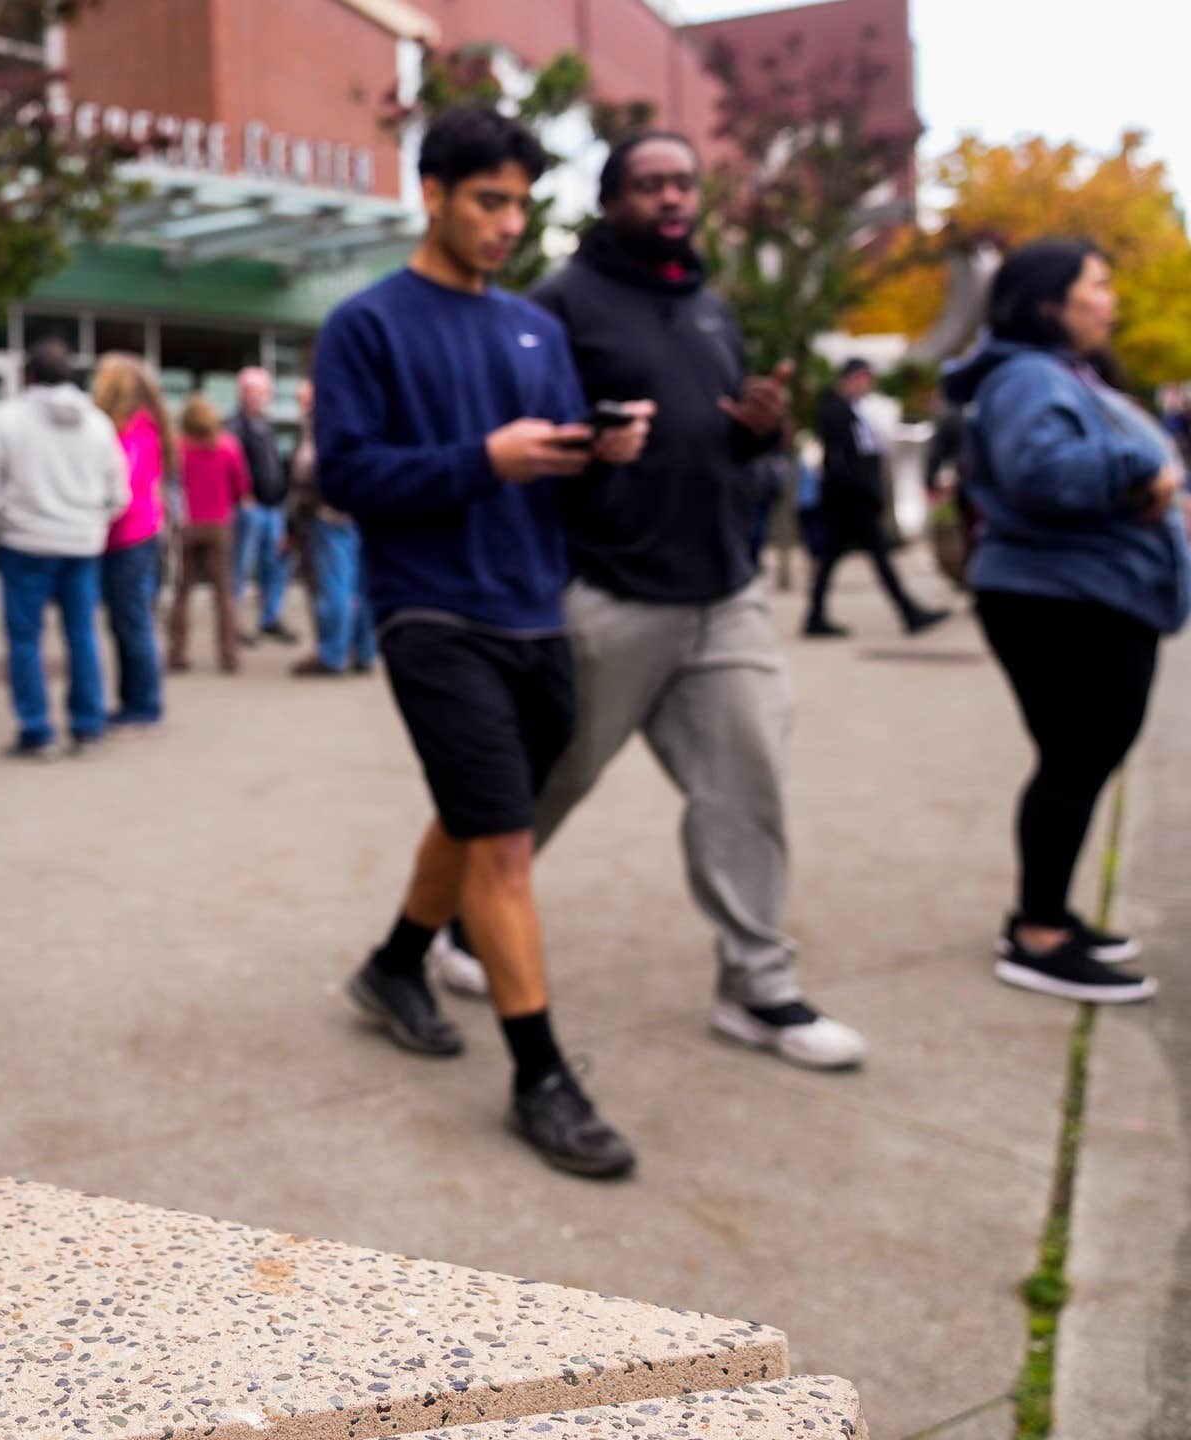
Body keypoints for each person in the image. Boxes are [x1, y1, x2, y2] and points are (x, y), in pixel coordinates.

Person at [421, 132, 866, 1070]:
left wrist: (757, 436)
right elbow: (519, 450)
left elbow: (719, 446)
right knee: (545, 785)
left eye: (685, 183)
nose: (672, 198)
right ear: (612, 199)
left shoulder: (708, 307)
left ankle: (758, 988)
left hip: (722, 596)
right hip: (605, 593)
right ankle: (463, 925)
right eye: (651, 184)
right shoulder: (557, 307)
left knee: (748, 783)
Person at [315, 105, 652, 1178]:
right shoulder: (365, 325)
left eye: (519, 203)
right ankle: (541, 1077)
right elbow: (349, 477)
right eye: (487, 201)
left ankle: (395, 965)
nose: (507, 223)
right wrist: (480, 460)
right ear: (433, 194)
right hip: (430, 610)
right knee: (503, 839)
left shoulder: (535, 329)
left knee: (477, 812)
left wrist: (599, 452)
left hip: (532, 608)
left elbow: (546, 467)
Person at [943, 238, 1185, 1002]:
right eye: (1098, 286)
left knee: (1077, 759)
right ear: (1050, 301)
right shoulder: (1028, 376)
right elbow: (1041, 472)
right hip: (1065, 599)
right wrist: (1142, 469)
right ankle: (1039, 933)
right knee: (1076, 759)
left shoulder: (1060, 374)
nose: (1109, 302)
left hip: (1086, 593)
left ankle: (1046, 914)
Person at [0, 337, 128, 758]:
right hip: (82, 545)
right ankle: (88, 727)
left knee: (25, 640)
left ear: (29, 375)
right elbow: (119, 493)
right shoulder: (98, 424)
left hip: (23, 545)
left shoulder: (6, 419)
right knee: (82, 636)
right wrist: (92, 523)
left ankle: (37, 732)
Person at [805, 358, 950, 637]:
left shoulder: (853, 410)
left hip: (854, 498)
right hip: (850, 500)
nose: (866, 385)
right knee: (876, 555)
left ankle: (815, 616)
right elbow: (840, 460)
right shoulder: (835, 410)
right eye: (863, 378)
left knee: (834, 559)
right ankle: (908, 611)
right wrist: (863, 489)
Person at [95, 353, 172, 727]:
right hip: (129, 536)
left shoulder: (136, 430)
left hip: (131, 537)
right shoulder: (140, 428)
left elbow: (123, 485)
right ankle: (133, 703)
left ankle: (144, 707)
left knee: (133, 623)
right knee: (127, 623)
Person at [287, 380, 379, 677]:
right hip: (364, 511)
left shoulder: (326, 420)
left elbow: (307, 464)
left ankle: (333, 654)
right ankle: (364, 651)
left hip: (333, 513)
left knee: (336, 586)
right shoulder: (367, 412)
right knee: (360, 586)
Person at [169, 393, 250, 673]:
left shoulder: (179, 448)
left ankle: (176, 652)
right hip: (219, 523)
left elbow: (169, 483)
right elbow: (241, 485)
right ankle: (229, 654)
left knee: (181, 592)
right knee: (223, 593)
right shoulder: (228, 447)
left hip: (189, 523)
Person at [229, 367, 299, 644]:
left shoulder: (265, 425)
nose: (260, 397)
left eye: (263, 392)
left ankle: (271, 617)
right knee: (241, 567)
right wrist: (244, 496)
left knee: (277, 564)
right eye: (254, 391)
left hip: (274, 507)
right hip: (251, 509)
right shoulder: (235, 425)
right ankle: (234, 622)